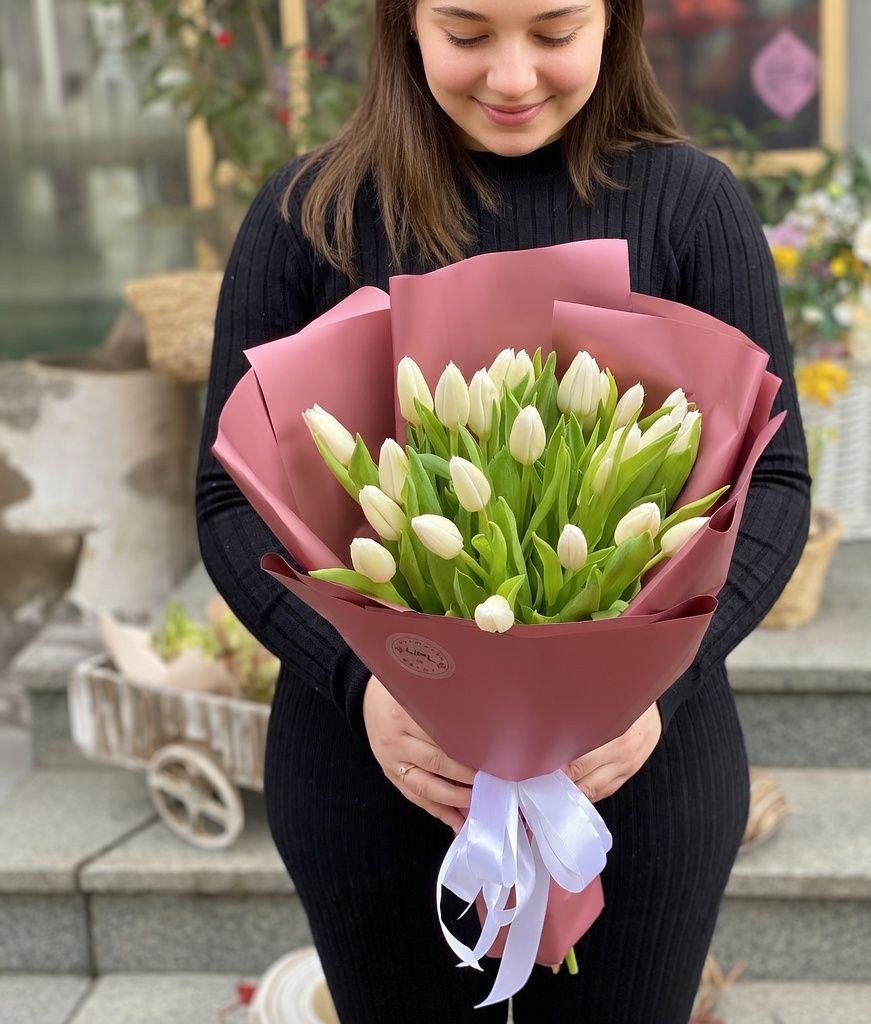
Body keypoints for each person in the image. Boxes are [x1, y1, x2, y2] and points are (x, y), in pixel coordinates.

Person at [195, 1, 811, 1020]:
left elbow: (774, 485)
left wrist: (656, 689)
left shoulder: (691, 205)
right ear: (404, 23)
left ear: (615, 21)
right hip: (379, 773)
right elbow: (229, 498)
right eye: (468, 34)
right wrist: (361, 682)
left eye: (554, 33)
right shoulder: (311, 215)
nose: (513, 77)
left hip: (636, 773)